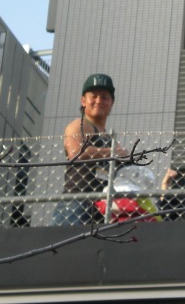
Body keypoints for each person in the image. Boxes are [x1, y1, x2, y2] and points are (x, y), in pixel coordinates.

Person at [53, 73, 129, 226]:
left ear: (112, 102)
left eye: (104, 97)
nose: (99, 101)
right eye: (93, 96)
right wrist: (114, 152)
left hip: (102, 208)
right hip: (76, 204)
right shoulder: (80, 125)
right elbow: (76, 152)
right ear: (83, 101)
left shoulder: (108, 138)